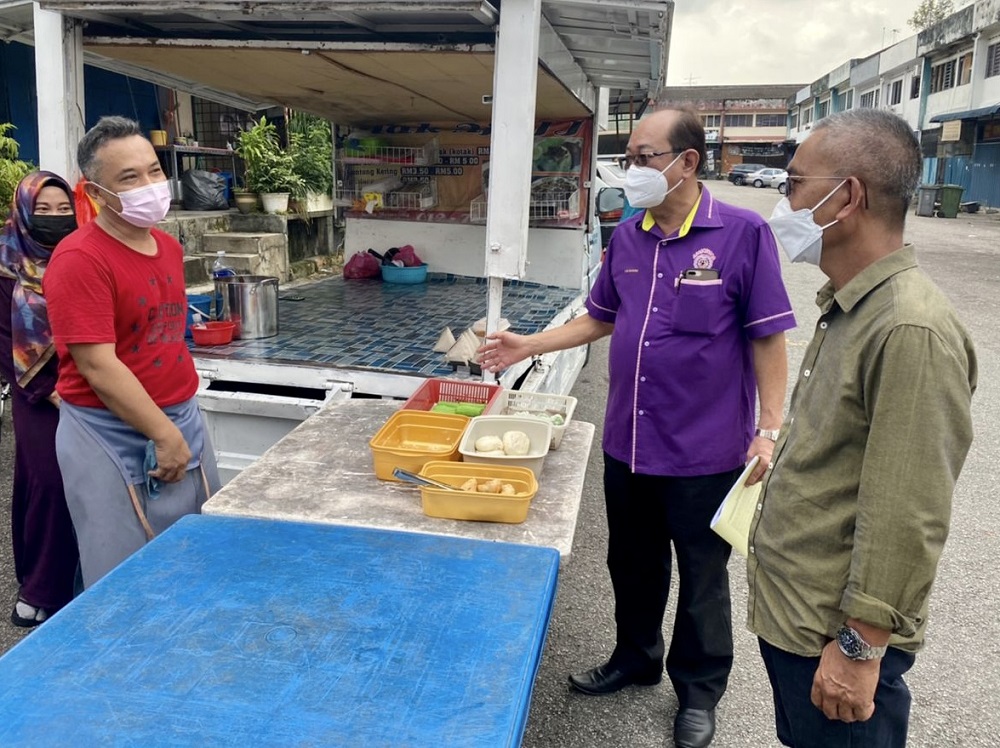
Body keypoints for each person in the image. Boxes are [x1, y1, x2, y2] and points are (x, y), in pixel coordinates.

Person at [479, 107, 795, 748]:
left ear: (687, 162)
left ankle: (699, 691)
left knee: (702, 577)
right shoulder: (629, 235)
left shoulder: (741, 234)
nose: (632, 170)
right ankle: (635, 657)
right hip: (630, 441)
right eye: (629, 158)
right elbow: (599, 318)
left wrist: (769, 428)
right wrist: (525, 345)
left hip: (706, 450)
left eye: (644, 157)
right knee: (631, 561)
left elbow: (768, 338)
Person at [749, 108, 977, 748]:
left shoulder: (908, 327)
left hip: (835, 641)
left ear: (845, 196)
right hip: (802, 622)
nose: (784, 202)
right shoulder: (854, 306)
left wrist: (859, 648)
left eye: (794, 184)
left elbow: (909, 511)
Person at [43, 116, 221, 589]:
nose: (149, 185)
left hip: (181, 417)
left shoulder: (166, 247)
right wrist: (162, 434)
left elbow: (158, 336)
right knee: (121, 576)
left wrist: (177, 422)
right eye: (129, 177)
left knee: (198, 553)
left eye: (154, 171)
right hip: (108, 432)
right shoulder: (79, 259)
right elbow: (97, 365)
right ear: (96, 193)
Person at [0, 171, 80, 626]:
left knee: (90, 482)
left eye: (63, 209)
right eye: (43, 210)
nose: (54, 218)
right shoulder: (7, 260)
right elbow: (1, 336)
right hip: (36, 390)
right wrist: (47, 390)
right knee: (49, 482)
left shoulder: (82, 254)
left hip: (89, 384)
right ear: (25, 211)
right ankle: (41, 589)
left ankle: (83, 578)